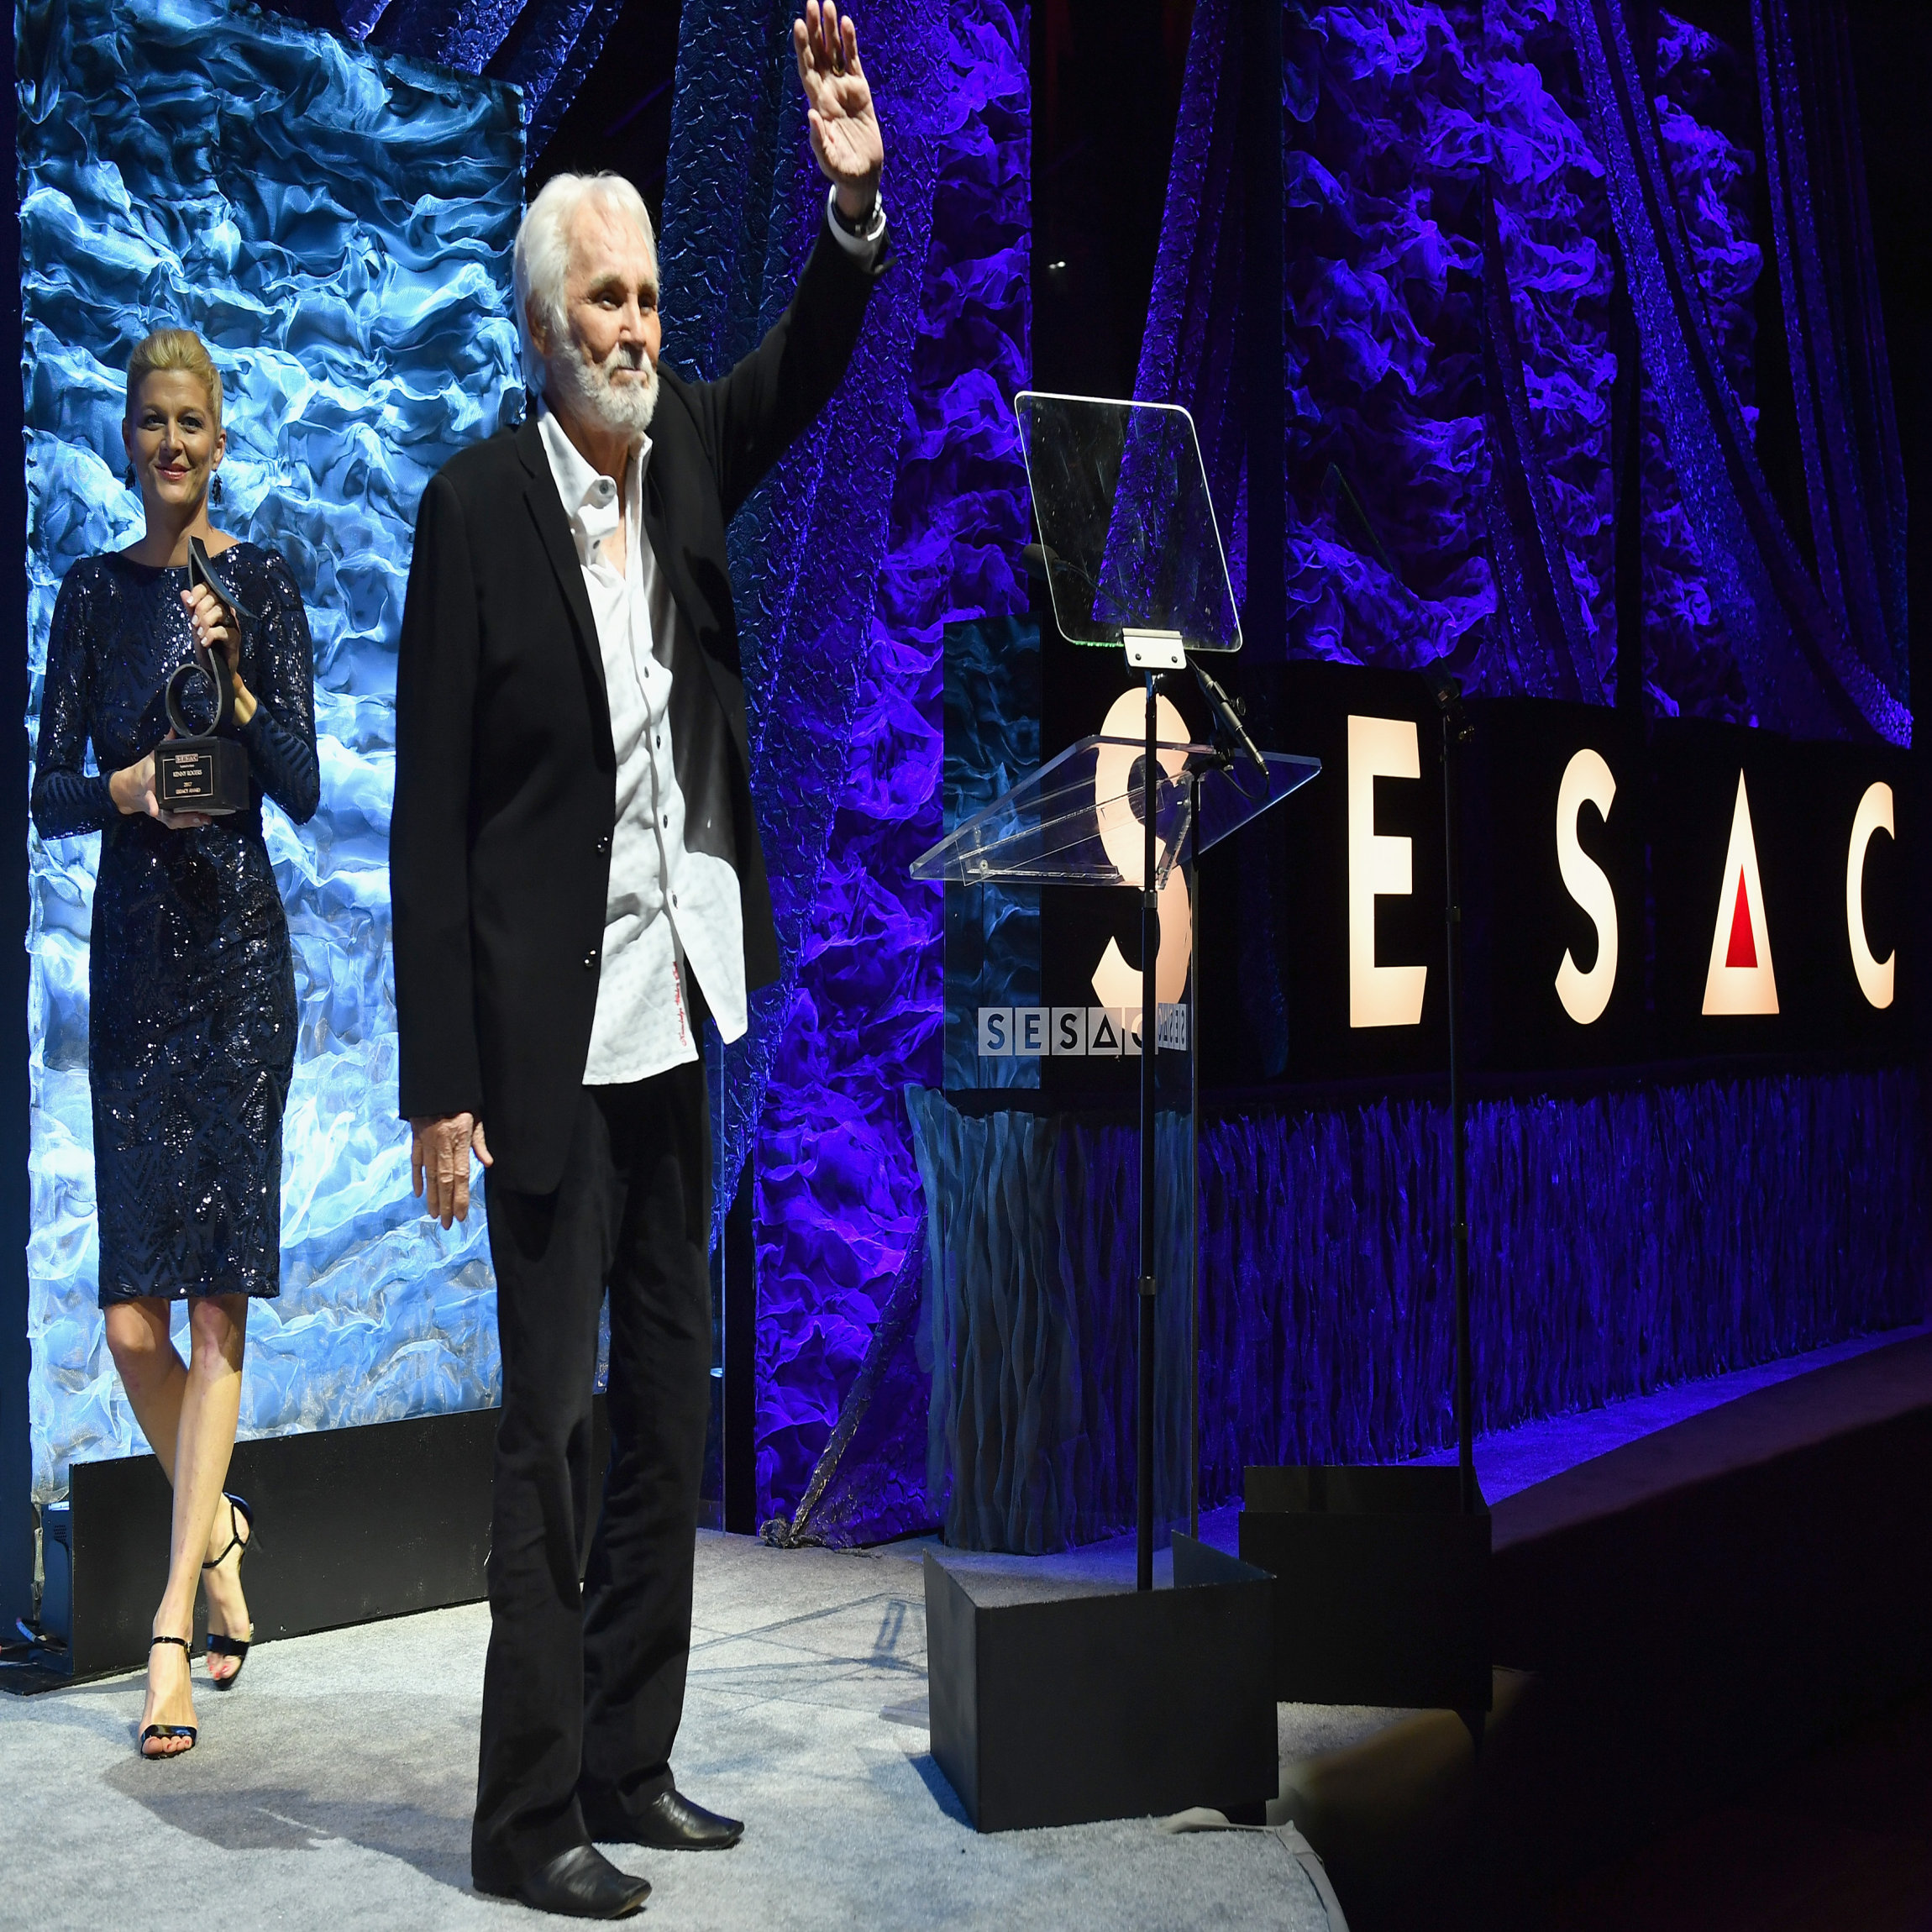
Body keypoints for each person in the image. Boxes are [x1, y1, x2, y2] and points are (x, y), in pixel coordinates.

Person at [390, 3, 888, 1917]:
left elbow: (808, 365)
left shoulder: (682, 457)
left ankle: (631, 1759)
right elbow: (430, 810)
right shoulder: (469, 515)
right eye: (604, 301)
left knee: (668, 1406)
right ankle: (524, 1825)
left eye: (653, 298)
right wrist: (440, 1077)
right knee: (552, 1433)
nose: (639, 329)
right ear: (543, 323)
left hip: (680, 1015)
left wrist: (848, 201)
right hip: (536, 1054)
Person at [30, 327, 320, 1759]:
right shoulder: (90, 596)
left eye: (193, 420)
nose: (171, 442)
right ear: (125, 438)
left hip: (244, 969)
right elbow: (43, 794)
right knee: (128, 1321)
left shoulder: (259, 581)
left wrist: (243, 675)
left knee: (215, 1315)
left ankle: (166, 1630)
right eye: (149, 420)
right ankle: (221, 1533)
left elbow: (305, 784)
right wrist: (124, 785)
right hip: (141, 966)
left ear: (221, 437)